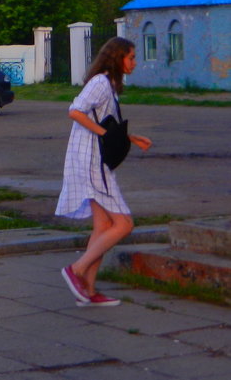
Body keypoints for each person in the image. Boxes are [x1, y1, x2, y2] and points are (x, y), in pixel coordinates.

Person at [56, 36, 152, 307]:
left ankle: (87, 290)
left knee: (103, 226)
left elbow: (104, 120)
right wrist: (106, 136)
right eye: (131, 57)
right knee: (123, 224)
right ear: (118, 57)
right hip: (92, 162)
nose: (134, 62)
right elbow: (75, 111)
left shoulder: (109, 84)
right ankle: (76, 270)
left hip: (93, 158)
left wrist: (129, 137)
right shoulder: (100, 82)